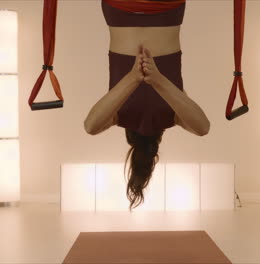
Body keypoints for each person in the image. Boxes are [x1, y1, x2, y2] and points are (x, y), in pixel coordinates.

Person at [84, 0, 210, 211]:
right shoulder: (170, 112)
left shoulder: (130, 113)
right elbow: (203, 127)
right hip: (134, 8)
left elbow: (90, 125)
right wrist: (156, 80)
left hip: (151, 8)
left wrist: (135, 78)